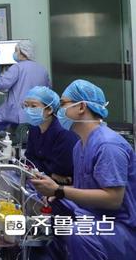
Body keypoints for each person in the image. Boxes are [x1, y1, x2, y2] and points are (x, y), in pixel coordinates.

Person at [31, 80, 136, 258]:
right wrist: (55, 193)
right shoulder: (80, 146)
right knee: (51, 220)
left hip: (120, 227)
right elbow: (86, 189)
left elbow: (113, 199)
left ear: (81, 107)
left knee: (78, 231)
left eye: (63, 104)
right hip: (93, 216)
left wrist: (60, 190)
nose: (59, 110)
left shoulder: (108, 145)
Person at [0, 40, 50, 140]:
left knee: (16, 141)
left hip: (19, 116)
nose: (15, 54)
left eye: (16, 51)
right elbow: (48, 90)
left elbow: (2, 84)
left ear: (23, 52)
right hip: (37, 115)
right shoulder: (42, 69)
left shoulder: (17, 68)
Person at [23, 86, 78, 183]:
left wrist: (42, 170)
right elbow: (29, 159)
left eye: (33, 106)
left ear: (49, 110)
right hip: (42, 179)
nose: (28, 110)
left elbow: (62, 169)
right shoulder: (34, 129)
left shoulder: (63, 132)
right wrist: (51, 174)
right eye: (26, 105)